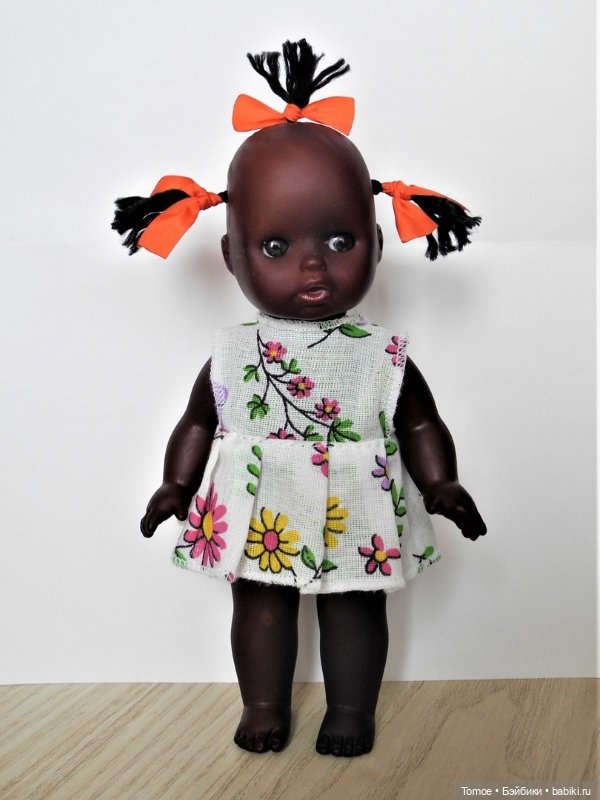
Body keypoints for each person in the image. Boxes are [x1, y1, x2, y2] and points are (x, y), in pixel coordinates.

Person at [113, 39, 486, 758]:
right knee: (259, 601)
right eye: (276, 247)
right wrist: (175, 483)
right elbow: (199, 421)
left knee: (355, 604)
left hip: (358, 500)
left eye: (340, 241)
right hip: (261, 499)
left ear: (377, 243)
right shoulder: (233, 352)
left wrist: (441, 481)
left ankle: (349, 708)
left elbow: (419, 422)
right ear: (233, 256)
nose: (313, 265)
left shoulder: (382, 353)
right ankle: (263, 704)